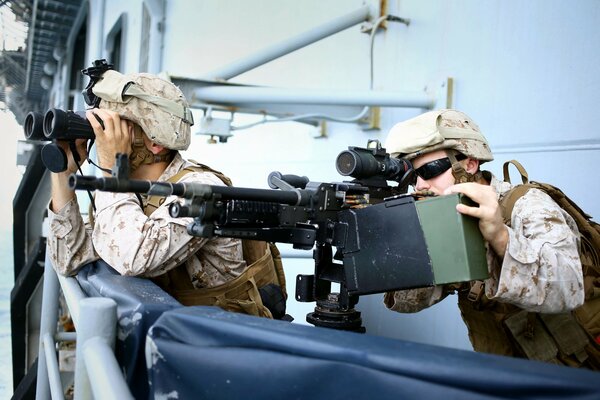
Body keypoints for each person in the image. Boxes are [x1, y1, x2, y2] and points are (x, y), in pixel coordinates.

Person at [47, 68, 285, 319]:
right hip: (175, 334)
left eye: (117, 125)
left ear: (155, 142)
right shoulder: (127, 191)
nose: (103, 133)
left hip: (222, 340)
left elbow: (133, 258)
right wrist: (63, 170)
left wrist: (112, 166)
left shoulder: (201, 191)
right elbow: (70, 258)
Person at [383, 109, 599, 369]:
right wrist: (391, 251)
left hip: (581, 371)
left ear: (469, 163)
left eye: (429, 170)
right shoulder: (445, 215)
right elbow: (411, 301)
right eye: (412, 177)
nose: (419, 185)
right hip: (511, 374)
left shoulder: (526, 204)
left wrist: (500, 236)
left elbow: (567, 288)